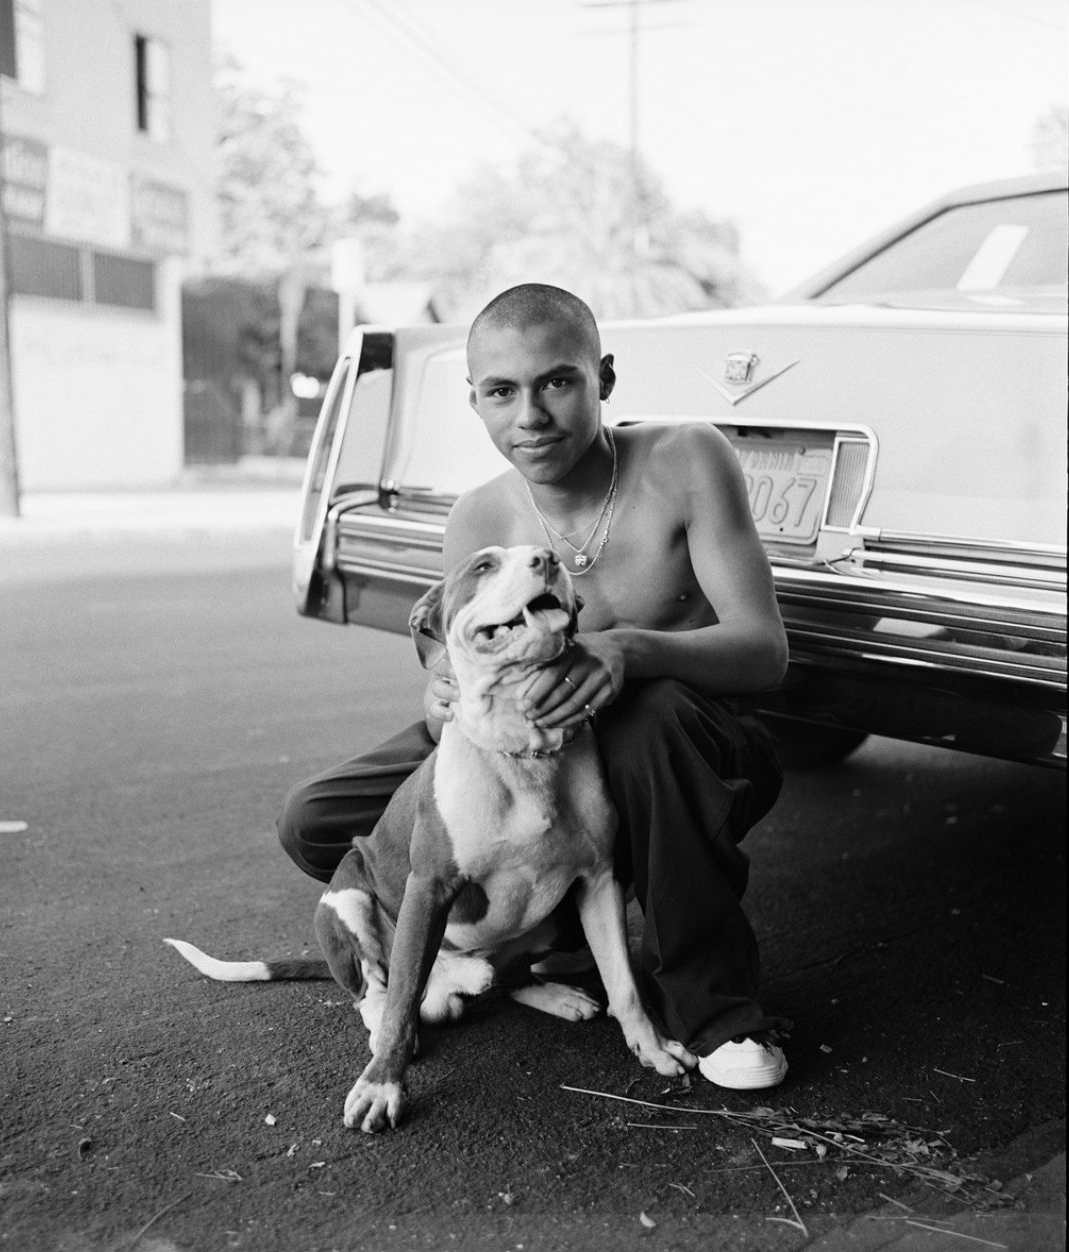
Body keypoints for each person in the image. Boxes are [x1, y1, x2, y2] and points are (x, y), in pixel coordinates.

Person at [277, 283, 791, 1090]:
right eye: (502, 392)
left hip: (686, 745)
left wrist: (628, 650)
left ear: (604, 378)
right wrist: (440, 691)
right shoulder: (479, 516)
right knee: (317, 821)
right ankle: (513, 939)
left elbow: (766, 653)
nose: (532, 416)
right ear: (475, 400)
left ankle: (717, 1011)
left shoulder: (685, 459)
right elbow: (446, 647)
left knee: (645, 724)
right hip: (518, 736)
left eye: (557, 382)